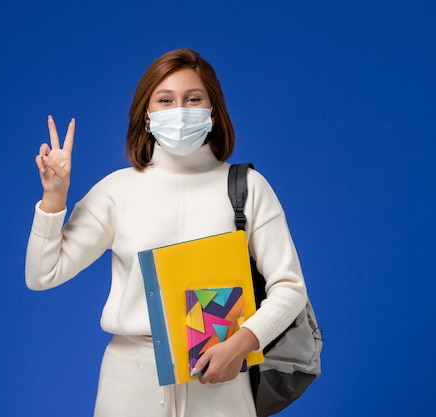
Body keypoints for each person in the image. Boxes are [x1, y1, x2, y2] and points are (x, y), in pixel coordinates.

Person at [25, 48, 307, 417]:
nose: (179, 110)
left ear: (212, 110)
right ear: (146, 114)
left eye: (193, 99)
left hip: (221, 378)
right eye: (165, 100)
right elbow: (42, 275)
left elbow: (290, 287)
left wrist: (240, 344)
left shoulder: (248, 188)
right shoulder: (117, 190)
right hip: (130, 383)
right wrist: (53, 200)